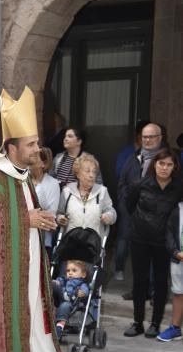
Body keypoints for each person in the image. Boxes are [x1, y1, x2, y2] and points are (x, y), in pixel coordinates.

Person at [0, 86, 104, 352]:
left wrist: (40, 218)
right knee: (18, 340)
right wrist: (27, 220)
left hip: (29, 274)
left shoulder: (21, 178)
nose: (38, 148)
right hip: (6, 282)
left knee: (40, 337)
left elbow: (20, 216)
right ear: (11, 147)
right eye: (31, 144)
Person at [124, 148, 181, 338]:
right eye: (161, 163)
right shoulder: (139, 185)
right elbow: (130, 206)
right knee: (139, 281)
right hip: (139, 239)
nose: (164, 168)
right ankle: (137, 322)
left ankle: (155, 324)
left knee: (160, 282)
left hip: (164, 242)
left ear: (175, 167)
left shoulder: (179, 189)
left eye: (169, 164)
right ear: (154, 164)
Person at [116, 122, 165, 287]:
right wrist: (126, 204)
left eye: (152, 137)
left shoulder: (166, 159)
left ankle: (153, 290)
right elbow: (122, 183)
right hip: (133, 213)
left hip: (155, 216)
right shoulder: (133, 158)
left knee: (155, 255)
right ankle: (139, 289)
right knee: (138, 255)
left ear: (160, 138)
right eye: (145, 137)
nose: (148, 140)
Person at [56, 153, 116, 236]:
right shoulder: (67, 191)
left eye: (94, 172)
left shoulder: (102, 191)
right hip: (70, 242)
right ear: (78, 174)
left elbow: (112, 212)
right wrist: (60, 219)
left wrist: (108, 216)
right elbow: (59, 213)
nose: (91, 175)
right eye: (87, 171)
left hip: (93, 244)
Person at [157, 200, 183, 341]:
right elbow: (169, 233)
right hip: (179, 258)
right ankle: (175, 328)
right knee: (179, 293)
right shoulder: (177, 209)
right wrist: (175, 252)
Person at [29, 146, 60, 257]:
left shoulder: (53, 183)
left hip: (43, 239)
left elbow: (51, 214)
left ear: (44, 163)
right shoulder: (22, 181)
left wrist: (38, 187)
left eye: (35, 157)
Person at [53, 260, 89, 339]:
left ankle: (59, 327)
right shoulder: (64, 280)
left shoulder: (81, 284)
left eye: (74, 270)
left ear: (83, 274)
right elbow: (59, 281)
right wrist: (57, 282)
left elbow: (85, 291)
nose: (70, 273)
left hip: (71, 301)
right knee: (55, 286)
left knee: (64, 306)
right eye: (68, 271)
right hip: (58, 298)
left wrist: (82, 293)